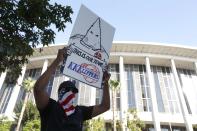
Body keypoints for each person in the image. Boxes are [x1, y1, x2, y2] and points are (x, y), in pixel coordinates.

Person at [33, 47, 110, 131]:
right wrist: (57, 60)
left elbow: (105, 106)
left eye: (73, 91)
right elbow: (38, 89)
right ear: (59, 93)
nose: (70, 93)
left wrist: (105, 82)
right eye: (66, 90)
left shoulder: (80, 111)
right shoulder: (50, 107)